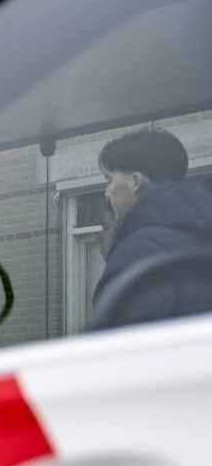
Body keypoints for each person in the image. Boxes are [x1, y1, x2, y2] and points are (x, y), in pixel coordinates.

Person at [91, 127, 212, 329]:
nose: (107, 193)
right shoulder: (199, 233)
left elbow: (123, 346)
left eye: (109, 180)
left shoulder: (138, 250)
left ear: (135, 181)